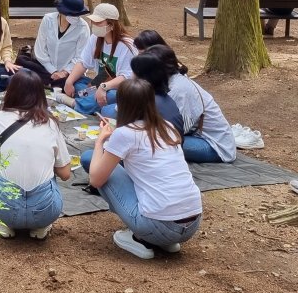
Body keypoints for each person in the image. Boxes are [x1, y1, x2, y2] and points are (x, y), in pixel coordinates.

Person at [82, 78, 203, 260]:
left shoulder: (125, 133)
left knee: (95, 162)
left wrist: (100, 140)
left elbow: (96, 179)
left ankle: (141, 239)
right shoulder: (167, 127)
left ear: (121, 104)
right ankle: (163, 240)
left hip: (158, 226)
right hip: (192, 224)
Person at [0, 70, 71, 239]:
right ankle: (40, 226)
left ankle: (2, 222)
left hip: (4, 209)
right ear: (41, 94)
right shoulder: (50, 123)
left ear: (10, 92)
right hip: (45, 211)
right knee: (51, 174)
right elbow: (65, 173)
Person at [140, 43, 236, 164]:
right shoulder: (169, 81)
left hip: (214, 146)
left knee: (149, 142)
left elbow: (175, 130)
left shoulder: (178, 89)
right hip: (193, 135)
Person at [63, 2, 135, 114]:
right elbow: (83, 63)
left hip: (119, 90)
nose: (94, 25)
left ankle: (76, 103)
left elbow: (126, 77)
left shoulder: (127, 46)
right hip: (99, 85)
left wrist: (104, 87)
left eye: (99, 22)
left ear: (111, 25)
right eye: (93, 21)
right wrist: (69, 81)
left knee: (110, 95)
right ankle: (90, 101)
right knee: (77, 81)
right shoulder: (95, 38)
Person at [101, 53, 185, 137]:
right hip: (172, 139)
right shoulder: (162, 94)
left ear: (141, 75)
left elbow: (132, 128)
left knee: (107, 110)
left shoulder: (142, 97)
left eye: (133, 71)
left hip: (156, 141)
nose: (131, 75)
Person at [32, 0, 91, 89]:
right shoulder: (48, 20)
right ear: (61, 11)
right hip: (45, 70)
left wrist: (64, 72)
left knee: (78, 89)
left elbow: (81, 57)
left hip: (70, 74)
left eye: (78, 14)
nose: (75, 17)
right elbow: (40, 49)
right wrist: (53, 71)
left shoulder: (83, 28)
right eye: (72, 14)